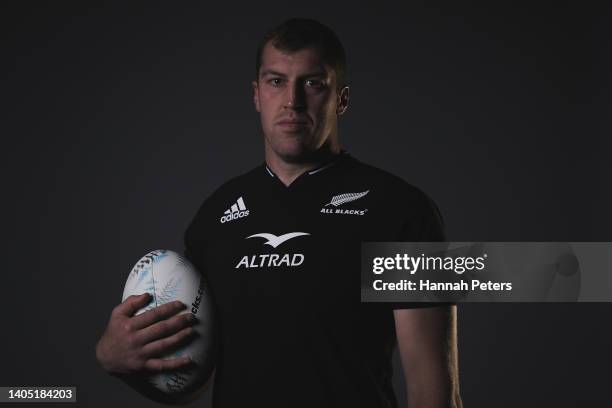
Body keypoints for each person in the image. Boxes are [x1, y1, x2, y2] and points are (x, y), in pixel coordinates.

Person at [96, 18, 463, 408]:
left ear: (341, 98)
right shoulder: (215, 217)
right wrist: (114, 358)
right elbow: (193, 382)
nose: (292, 101)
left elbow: (435, 393)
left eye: (312, 83)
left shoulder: (401, 210)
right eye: (276, 82)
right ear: (256, 95)